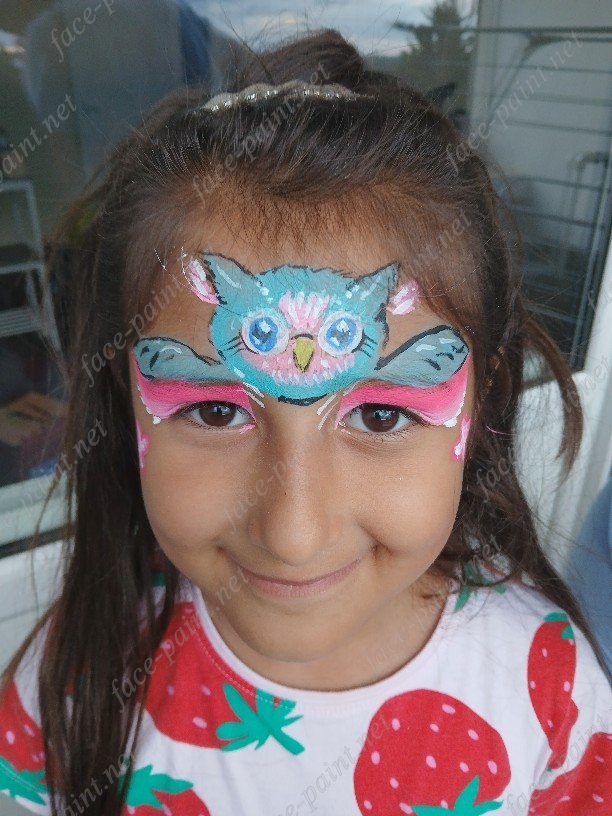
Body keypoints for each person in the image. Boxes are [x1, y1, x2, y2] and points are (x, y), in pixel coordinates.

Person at [1, 28, 611, 816]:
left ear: (480, 404)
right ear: (126, 399)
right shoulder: (79, 682)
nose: (293, 534)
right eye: (216, 410)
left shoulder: (553, 695)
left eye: (383, 415)